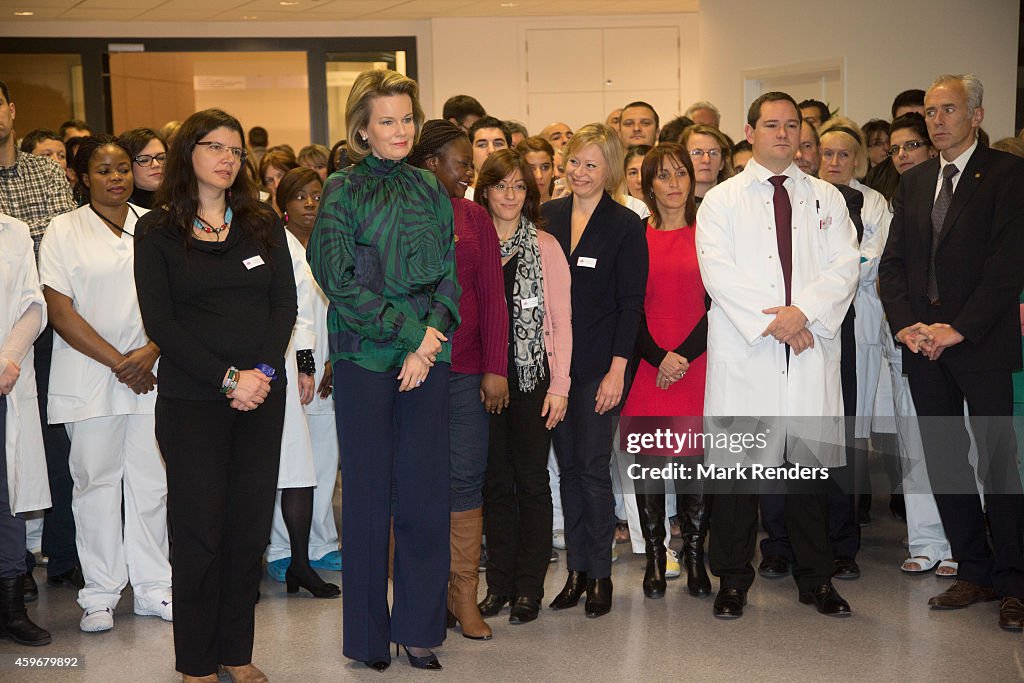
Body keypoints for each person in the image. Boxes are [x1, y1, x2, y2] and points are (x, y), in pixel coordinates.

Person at [134, 108, 297, 682]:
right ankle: (196, 660)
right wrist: (228, 379)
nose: (229, 158)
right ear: (189, 153)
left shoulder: (260, 224)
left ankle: (236, 651)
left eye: (235, 150)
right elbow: (164, 323)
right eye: (216, 147)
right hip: (193, 402)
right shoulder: (156, 231)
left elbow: (284, 305)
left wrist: (258, 375)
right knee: (199, 531)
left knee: (247, 527)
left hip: (261, 395)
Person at [307, 69, 460, 672]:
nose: (400, 130)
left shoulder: (429, 187)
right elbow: (337, 279)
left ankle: (419, 629)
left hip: (428, 358)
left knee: (425, 497)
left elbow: (449, 272)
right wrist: (410, 337)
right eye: (387, 121)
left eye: (407, 119)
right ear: (363, 130)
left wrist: (427, 345)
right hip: (365, 359)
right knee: (369, 501)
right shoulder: (342, 189)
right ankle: (367, 640)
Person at [695, 91, 859, 619]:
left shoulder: (827, 199)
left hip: (807, 347)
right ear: (749, 133)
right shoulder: (721, 200)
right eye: (771, 125)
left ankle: (817, 581)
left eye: (792, 125)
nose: (783, 134)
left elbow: (845, 266)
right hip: (751, 350)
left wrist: (803, 313)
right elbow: (718, 274)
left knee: (808, 476)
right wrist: (782, 323)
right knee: (739, 478)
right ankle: (733, 581)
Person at [878, 74, 1024, 632]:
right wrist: (904, 326)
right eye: (931, 112)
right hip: (922, 347)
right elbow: (892, 266)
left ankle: (1014, 580)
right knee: (944, 458)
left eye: (949, 110)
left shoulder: (1008, 177)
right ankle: (976, 568)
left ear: (977, 115)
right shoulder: (913, 182)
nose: (936, 120)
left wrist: (957, 329)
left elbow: (1008, 269)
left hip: (979, 343)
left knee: (996, 463)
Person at [37, 135, 173, 633]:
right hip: (91, 375)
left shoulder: (155, 226)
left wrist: (152, 349)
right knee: (94, 484)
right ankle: (99, 593)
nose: (116, 177)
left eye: (123, 168)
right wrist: (121, 363)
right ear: (82, 176)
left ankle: (155, 587)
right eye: (104, 170)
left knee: (151, 484)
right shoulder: (62, 230)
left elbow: (178, 298)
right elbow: (59, 309)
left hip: (152, 372)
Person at [407, 119, 508, 641]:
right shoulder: (401, 213)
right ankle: (425, 595)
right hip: (412, 372)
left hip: (467, 372)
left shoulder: (475, 218)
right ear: (430, 164)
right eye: (461, 162)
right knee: (421, 483)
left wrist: (496, 367)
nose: (469, 170)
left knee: (467, 479)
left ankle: (464, 594)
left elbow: (492, 296)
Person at [543, 123, 648, 618]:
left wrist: (617, 371)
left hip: (598, 368)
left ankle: (600, 574)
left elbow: (631, 306)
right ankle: (576, 572)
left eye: (591, 164)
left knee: (591, 469)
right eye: (574, 162)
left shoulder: (625, 225)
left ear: (609, 170)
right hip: (551, 367)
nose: (579, 172)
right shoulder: (546, 216)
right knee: (567, 469)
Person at [472, 148, 571, 625]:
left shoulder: (546, 246)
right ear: (485, 190)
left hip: (534, 380)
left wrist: (562, 385)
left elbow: (562, 322)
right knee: (494, 485)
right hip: (483, 381)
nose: (510, 195)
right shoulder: (469, 243)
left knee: (531, 482)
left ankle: (529, 588)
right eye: (501, 185)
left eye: (518, 186)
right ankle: (500, 586)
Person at [0, 81, 81, 602]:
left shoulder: (45, 171)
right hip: (9, 318)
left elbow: (57, 245)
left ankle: (60, 555)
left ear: (10, 111)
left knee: (52, 447)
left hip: (44, 323)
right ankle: (16, 562)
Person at [622, 143, 710, 599]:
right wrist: (658, 357)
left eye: (681, 173)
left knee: (695, 471)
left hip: (698, 363)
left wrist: (683, 357)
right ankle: (656, 559)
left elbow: (722, 303)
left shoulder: (710, 231)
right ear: (648, 185)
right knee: (651, 471)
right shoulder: (634, 234)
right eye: (663, 176)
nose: (674, 184)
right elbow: (627, 306)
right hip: (648, 367)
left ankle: (696, 559)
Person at [875, 112, 957, 576]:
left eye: (912, 146)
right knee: (916, 445)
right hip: (911, 337)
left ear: (932, 150)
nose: (903, 155)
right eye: (897, 148)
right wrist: (908, 326)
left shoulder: (964, 194)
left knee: (959, 444)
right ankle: (925, 539)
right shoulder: (902, 199)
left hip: (958, 338)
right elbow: (892, 270)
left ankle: (959, 541)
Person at [264, 167, 340, 600]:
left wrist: (334, 363)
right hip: (293, 370)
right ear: (284, 205)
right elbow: (298, 316)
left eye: (317, 196)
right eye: (301, 197)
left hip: (328, 372)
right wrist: (309, 364)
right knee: (288, 463)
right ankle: (281, 550)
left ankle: (322, 542)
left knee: (323, 463)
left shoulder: (330, 247)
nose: (311, 204)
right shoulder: (279, 247)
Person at [0, 211, 51, 647]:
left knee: (8, 495)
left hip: (4, 380)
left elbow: (33, 304)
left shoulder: (12, 230)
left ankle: (12, 608)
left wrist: (8, 359)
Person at [681, 124, 733, 207]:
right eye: (697, 153)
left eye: (713, 153)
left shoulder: (735, 202)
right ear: (683, 159)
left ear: (722, 162)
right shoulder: (670, 205)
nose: (706, 160)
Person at [118, 128, 166, 209]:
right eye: (144, 160)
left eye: (161, 158)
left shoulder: (183, 201)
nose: (156, 164)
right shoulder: (119, 210)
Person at [469, 116, 511, 184]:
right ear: (470, 153)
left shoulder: (522, 193)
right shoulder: (461, 194)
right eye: (482, 145)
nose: (491, 150)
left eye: (498, 144)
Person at [259, 148, 298, 217]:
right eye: (270, 181)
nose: (276, 185)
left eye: (280, 176)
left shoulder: (307, 201)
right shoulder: (262, 211)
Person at [517, 136, 556, 203]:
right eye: (531, 169)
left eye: (545, 167)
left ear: (553, 170)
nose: (539, 176)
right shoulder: (511, 209)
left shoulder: (568, 207)